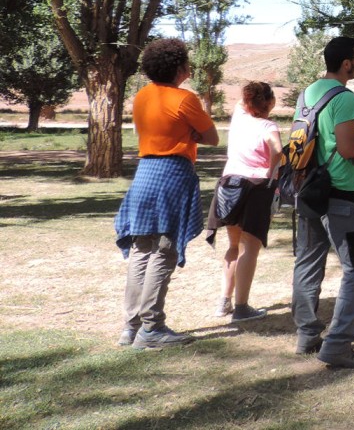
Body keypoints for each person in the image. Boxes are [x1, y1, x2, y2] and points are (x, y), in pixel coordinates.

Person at [114, 38, 219, 349]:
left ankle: (130, 327)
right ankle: (152, 327)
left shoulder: (142, 96)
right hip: (172, 173)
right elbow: (212, 137)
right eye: (186, 62)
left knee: (141, 250)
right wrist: (190, 132)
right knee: (164, 249)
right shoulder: (185, 100)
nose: (189, 68)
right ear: (178, 67)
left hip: (145, 173)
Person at [290, 36, 354, 369]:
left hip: (309, 191)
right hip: (340, 195)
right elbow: (348, 148)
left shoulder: (307, 93)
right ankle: (337, 345)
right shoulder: (344, 98)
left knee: (307, 264)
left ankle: (307, 335)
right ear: (346, 63)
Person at [206, 81, 283, 323]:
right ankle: (241, 307)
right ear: (270, 102)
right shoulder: (269, 125)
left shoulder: (239, 118)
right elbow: (278, 149)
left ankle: (224, 302)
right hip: (257, 187)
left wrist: (253, 98)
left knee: (233, 245)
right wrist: (271, 171)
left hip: (230, 184)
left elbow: (242, 101)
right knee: (250, 247)